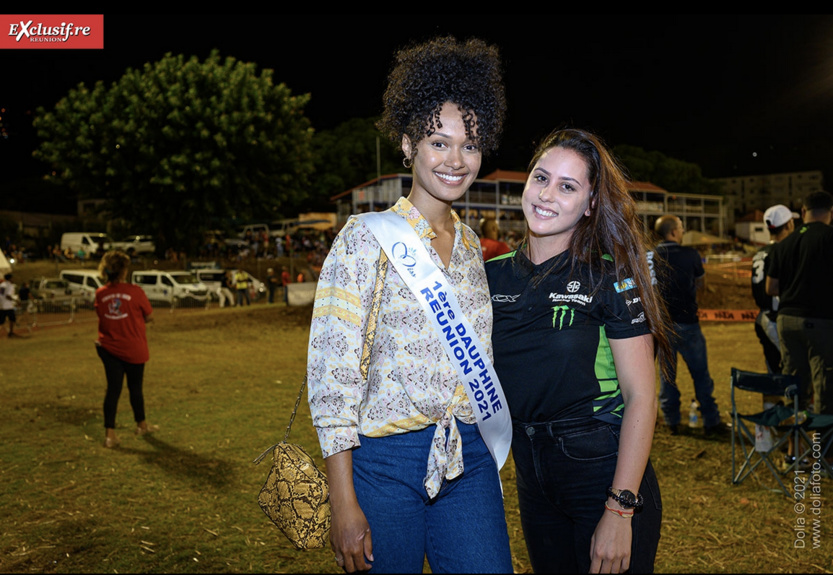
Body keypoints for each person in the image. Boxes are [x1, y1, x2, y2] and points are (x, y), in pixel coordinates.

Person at [306, 35, 512, 574]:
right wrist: (343, 499)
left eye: (469, 144)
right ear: (407, 144)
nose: (455, 160)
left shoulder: (472, 247)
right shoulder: (364, 237)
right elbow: (332, 372)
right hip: (383, 466)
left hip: (467, 459)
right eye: (438, 143)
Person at [486, 128, 670, 574]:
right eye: (540, 178)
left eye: (567, 186)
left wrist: (620, 508)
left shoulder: (612, 277)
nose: (547, 195)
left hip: (600, 468)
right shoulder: (487, 276)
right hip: (530, 472)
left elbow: (642, 397)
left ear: (589, 204)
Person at [652, 214, 728, 437]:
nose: (683, 232)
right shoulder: (691, 254)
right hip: (688, 325)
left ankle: (671, 419)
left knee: (667, 376)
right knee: (701, 375)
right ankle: (711, 420)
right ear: (673, 232)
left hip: (663, 326)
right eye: (681, 228)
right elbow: (701, 282)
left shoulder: (651, 255)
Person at [766, 190, 833, 416]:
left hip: (787, 321)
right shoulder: (829, 237)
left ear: (803, 212)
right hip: (821, 321)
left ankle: (796, 446)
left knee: (794, 384)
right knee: (825, 384)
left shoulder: (783, 244)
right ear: (830, 213)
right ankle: (823, 447)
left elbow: (771, 288)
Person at [94, 250, 158, 448]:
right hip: (133, 347)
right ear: (123, 271)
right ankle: (141, 425)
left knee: (113, 390)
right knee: (135, 388)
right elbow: (149, 316)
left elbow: (102, 315)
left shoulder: (101, 293)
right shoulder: (135, 291)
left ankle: (109, 435)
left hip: (109, 348)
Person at [751, 204, 797, 374]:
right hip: (776, 318)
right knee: (792, 369)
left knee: (773, 368)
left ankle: (771, 402)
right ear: (788, 225)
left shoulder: (761, 251)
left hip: (762, 316)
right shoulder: (784, 251)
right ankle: (793, 402)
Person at [0, 272, 20, 338]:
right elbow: (7, 296)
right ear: (10, 278)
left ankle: (11, 333)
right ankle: (11, 333)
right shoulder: (9, 285)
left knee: (5, 320)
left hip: (2, 305)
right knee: (11, 319)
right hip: (7, 306)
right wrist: (15, 300)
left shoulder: (2, 284)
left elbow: (1, 295)